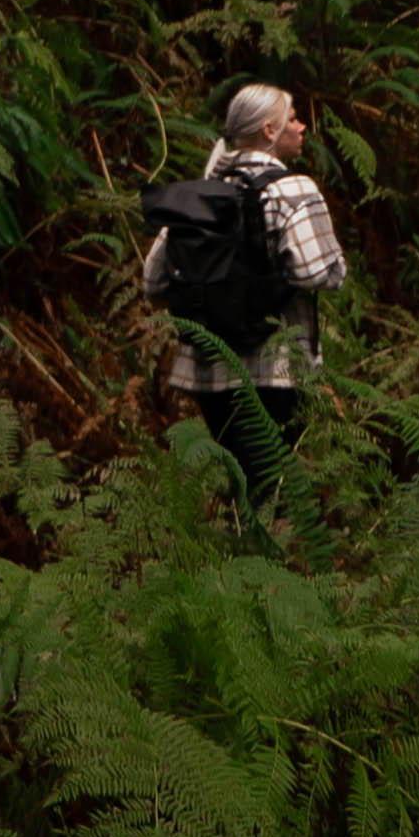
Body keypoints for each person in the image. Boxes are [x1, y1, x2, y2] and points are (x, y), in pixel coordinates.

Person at [138, 78, 348, 525]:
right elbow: (320, 273)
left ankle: (232, 570)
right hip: (276, 370)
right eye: (292, 117)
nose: (301, 126)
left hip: (206, 370)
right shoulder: (294, 190)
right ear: (269, 131)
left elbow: (153, 281)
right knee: (271, 491)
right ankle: (260, 579)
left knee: (243, 480)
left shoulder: (199, 195)